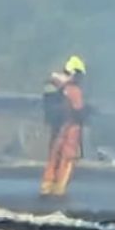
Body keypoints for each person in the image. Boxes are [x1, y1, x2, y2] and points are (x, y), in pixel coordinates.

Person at [40, 56, 86, 197]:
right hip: (71, 126)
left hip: (57, 126)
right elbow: (78, 109)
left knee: (54, 155)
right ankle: (59, 188)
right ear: (74, 73)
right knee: (68, 157)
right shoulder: (73, 90)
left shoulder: (55, 85)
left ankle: (46, 185)